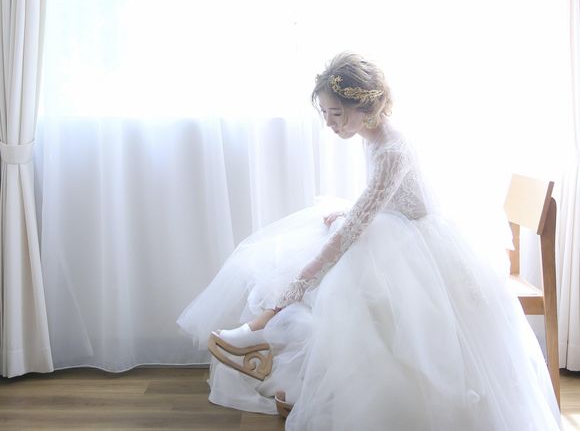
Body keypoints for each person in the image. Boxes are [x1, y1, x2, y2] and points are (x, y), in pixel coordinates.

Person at [177, 52, 561, 430]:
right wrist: (347, 216)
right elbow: (380, 201)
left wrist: (303, 279)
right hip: (397, 229)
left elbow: (360, 224)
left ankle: (269, 329)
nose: (329, 124)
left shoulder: (392, 148)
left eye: (336, 114)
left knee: (341, 276)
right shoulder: (369, 135)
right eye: (324, 113)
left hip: (422, 249)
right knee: (328, 248)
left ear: (365, 106)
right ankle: (289, 360)